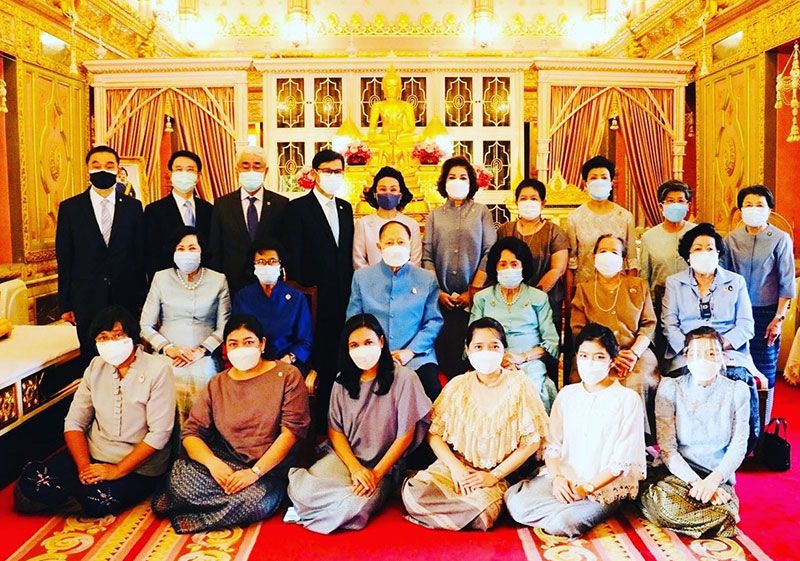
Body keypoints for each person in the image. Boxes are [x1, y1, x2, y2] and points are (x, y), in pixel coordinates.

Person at [152, 315, 310, 534]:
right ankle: (201, 502)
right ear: (226, 348)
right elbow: (191, 432)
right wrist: (213, 464)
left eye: (248, 342)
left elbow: (290, 433)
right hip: (224, 460)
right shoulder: (218, 382)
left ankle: (184, 509)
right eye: (234, 344)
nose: (241, 349)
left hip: (265, 471)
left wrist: (254, 473)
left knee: (257, 502)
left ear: (262, 344)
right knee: (179, 478)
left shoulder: (288, 376)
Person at [14, 306, 175, 516]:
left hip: (138, 466)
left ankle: (69, 495)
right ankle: (70, 493)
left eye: (118, 335)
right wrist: (84, 467)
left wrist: (116, 470)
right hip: (94, 454)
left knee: (97, 499)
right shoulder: (96, 366)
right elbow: (74, 422)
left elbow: (159, 434)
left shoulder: (158, 370)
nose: (111, 343)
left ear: (132, 337)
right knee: (28, 487)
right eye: (103, 337)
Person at [286, 314, 432, 534]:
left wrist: (375, 474)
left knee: (355, 505)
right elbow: (335, 430)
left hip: (381, 467)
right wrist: (355, 468)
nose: (362, 349)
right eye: (354, 345)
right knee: (302, 490)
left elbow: (405, 436)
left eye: (368, 342)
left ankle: (320, 510)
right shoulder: (341, 380)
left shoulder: (405, 378)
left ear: (381, 342)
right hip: (345, 459)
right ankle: (327, 508)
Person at [402, 317, 548, 531]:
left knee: (483, 514)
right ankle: (459, 513)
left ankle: (453, 513)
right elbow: (434, 433)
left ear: (503, 350)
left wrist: (492, 476)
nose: (486, 352)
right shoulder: (458, 385)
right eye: (478, 347)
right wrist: (457, 468)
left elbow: (532, 442)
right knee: (413, 492)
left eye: (494, 346)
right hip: (456, 468)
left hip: (495, 475)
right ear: (467, 350)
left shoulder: (520, 385)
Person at [505, 323, 646, 537]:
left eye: (599, 357)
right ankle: (557, 508)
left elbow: (620, 463)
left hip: (599, 488)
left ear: (612, 360)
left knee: (563, 524)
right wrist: (558, 479)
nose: (590, 363)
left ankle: (561, 514)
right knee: (514, 502)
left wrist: (585, 489)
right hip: (564, 478)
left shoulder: (628, 399)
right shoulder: (567, 394)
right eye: (584, 356)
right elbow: (553, 445)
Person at [639, 327, 749, 538]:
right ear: (686, 357)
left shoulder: (737, 391)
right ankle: (711, 520)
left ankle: (709, 516)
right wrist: (697, 483)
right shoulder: (670, 388)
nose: (704, 360)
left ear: (722, 356)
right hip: (678, 475)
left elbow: (738, 446)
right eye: (697, 354)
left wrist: (712, 482)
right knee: (666, 504)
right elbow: (667, 448)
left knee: (727, 510)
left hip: (717, 477)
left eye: (711, 353)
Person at [662, 222, 761, 449]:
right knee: (683, 381)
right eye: (698, 249)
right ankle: (688, 444)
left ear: (718, 253)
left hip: (727, 352)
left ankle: (741, 444)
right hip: (686, 352)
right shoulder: (674, 283)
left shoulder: (736, 282)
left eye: (710, 248)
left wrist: (716, 348)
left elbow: (746, 325)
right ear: (688, 255)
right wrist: (693, 350)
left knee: (737, 379)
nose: (704, 253)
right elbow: (669, 324)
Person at [282, 149, 355, 423]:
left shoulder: (345, 208)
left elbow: (345, 253)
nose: (333, 176)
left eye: (338, 171)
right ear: (315, 173)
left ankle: (343, 420)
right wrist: (306, 293)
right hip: (313, 298)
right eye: (327, 171)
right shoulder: (297, 209)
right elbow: (294, 256)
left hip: (344, 296)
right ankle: (321, 425)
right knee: (321, 362)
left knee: (342, 360)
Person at [56, 145, 146, 362]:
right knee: (92, 356)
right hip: (86, 297)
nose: (102, 169)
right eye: (96, 165)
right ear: (87, 168)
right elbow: (65, 258)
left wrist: (143, 298)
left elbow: (140, 255)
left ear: (118, 169)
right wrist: (65, 304)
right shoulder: (71, 208)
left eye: (109, 165)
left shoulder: (133, 207)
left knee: (127, 354)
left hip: (126, 296)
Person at [570, 234, 659, 435]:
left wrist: (633, 353)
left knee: (636, 381)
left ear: (623, 259)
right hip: (596, 353)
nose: (608, 255)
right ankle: (598, 436)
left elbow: (648, 325)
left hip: (636, 352)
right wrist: (608, 355)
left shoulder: (638, 286)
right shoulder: (584, 290)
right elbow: (578, 331)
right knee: (595, 379)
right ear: (594, 256)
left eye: (614, 252)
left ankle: (637, 439)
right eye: (603, 251)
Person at [140, 226, 231, 422]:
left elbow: (224, 326)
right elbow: (145, 325)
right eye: (180, 249)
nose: (186, 253)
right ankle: (171, 438)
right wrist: (168, 349)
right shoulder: (161, 278)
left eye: (192, 248)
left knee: (203, 375)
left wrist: (201, 351)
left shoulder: (218, 280)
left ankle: (198, 435)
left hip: (204, 353)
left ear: (202, 251)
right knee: (167, 377)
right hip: (168, 352)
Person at [346, 221, 443, 400]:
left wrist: (410, 351)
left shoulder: (426, 278)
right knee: (354, 389)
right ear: (379, 246)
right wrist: (374, 350)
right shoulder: (362, 277)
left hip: (417, 356)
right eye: (389, 243)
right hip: (374, 353)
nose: (395, 247)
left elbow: (433, 321)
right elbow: (354, 321)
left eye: (401, 242)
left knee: (431, 388)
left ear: (410, 245)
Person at [723, 185, 795, 422]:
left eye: (759, 205)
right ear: (740, 209)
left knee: (765, 367)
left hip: (767, 314)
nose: (753, 209)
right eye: (748, 205)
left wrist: (778, 319)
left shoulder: (780, 239)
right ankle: (738, 423)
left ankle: (762, 425)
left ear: (769, 209)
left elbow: (786, 283)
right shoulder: (731, 240)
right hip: (736, 314)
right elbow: (724, 278)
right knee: (736, 366)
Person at [422, 156, 497, 378]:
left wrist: (473, 290)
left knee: (470, 354)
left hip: (473, 299)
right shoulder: (434, 215)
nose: (457, 181)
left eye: (463, 177)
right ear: (444, 182)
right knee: (444, 355)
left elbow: (490, 251)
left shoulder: (481, 212)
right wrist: (437, 291)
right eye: (452, 177)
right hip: (442, 299)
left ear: (471, 182)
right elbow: (427, 256)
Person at [470, 236, 559, 412]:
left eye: (514, 264)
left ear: (523, 266)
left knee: (529, 390)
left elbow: (551, 341)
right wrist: (497, 360)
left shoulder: (539, 298)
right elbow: (472, 339)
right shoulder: (482, 298)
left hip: (529, 362)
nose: (508, 269)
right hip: (490, 360)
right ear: (495, 267)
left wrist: (521, 358)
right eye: (503, 264)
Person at [209, 146, 288, 294]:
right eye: (245, 166)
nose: (251, 171)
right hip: (232, 283)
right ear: (236, 170)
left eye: (257, 166)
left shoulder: (281, 203)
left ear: (266, 171)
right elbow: (216, 248)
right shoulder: (222, 204)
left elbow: (285, 244)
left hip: (269, 282)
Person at [497, 179, 569, 337]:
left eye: (534, 198)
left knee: (546, 347)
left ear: (543, 203)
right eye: (523, 198)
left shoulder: (554, 232)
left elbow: (557, 269)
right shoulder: (505, 230)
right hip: (510, 304)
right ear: (516, 202)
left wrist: (531, 297)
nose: (528, 202)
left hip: (546, 303)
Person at [231, 238, 313, 374]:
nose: (267, 266)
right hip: (252, 363)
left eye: (272, 261)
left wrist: (288, 359)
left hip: (287, 363)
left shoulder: (297, 298)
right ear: (254, 266)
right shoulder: (243, 297)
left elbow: (305, 341)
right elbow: (236, 334)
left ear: (280, 265)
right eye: (261, 262)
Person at [639, 180, 697, 359]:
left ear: (688, 205)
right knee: (663, 354)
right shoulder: (649, 237)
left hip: (692, 300)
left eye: (680, 201)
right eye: (670, 201)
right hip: (660, 301)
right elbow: (645, 276)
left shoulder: (697, 234)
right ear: (661, 206)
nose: (676, 205)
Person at [566, 156, 638, 286]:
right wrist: (570, 295)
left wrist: (631, 290)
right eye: (594, 178)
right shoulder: (574, 217)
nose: (599, 181)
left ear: (611, 183)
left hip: (617, 287)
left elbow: (631, 260)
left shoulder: (625, 216)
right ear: (585, 184)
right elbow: (571, 262)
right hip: (585, 287)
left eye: (604, 177)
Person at [144, 150, 213, 281]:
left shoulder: (209, 209)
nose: (184, 174)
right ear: (171, 175)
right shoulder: (154, 210)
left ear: (198, 176)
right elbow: (151, 253)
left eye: (190, 170)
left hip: (203, 280)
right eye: (179, 169)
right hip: (168, 280)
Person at [353, 166, 422, 269]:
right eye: (383, 189)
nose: (388, 193)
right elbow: (358, 260)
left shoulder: (411, 224)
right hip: (371, 278)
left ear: (400, 195)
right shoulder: (363, 224)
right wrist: (371, 277)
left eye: (393, 189)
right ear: (375, 194)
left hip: (406, 278)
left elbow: (415, 261)